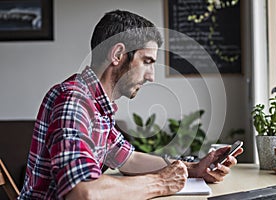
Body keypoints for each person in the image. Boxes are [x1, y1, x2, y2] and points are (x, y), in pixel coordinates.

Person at [18, 10, 243, 200]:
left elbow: (128, 159)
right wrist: (161, 183)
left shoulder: (95, 105)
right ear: (118, 54)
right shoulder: (73, 102)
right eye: (147, 62)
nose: (151, 76)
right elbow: (83, 191)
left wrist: (193, 169)